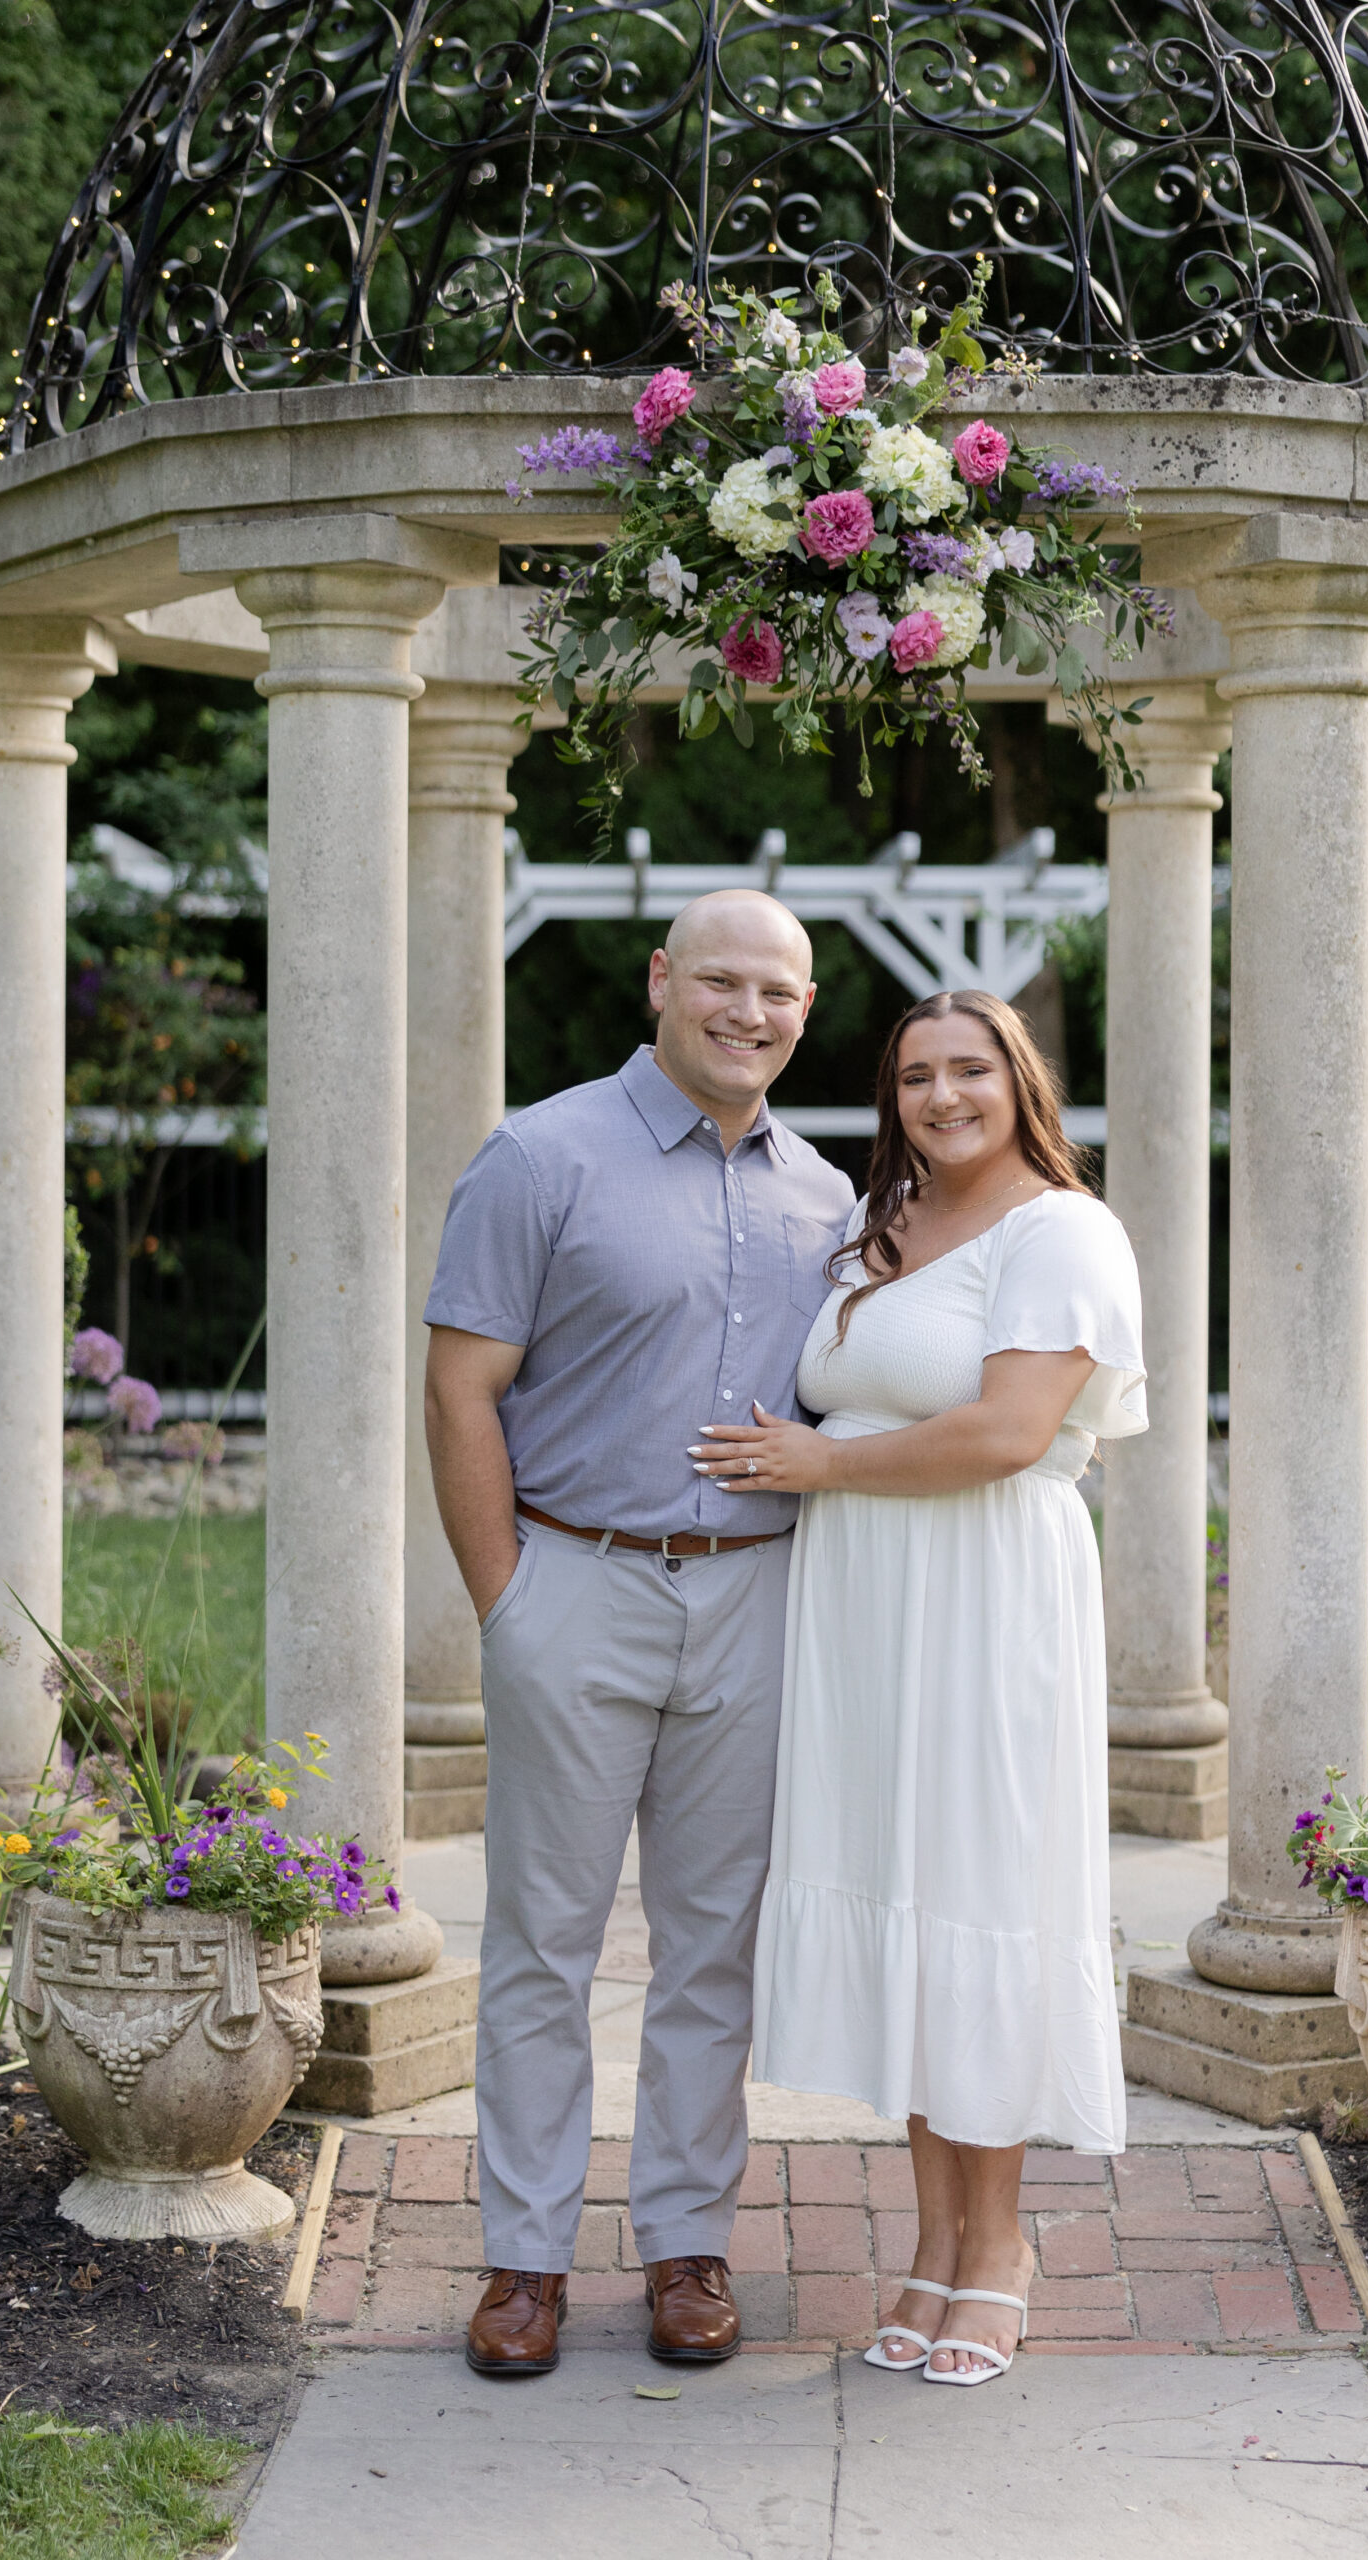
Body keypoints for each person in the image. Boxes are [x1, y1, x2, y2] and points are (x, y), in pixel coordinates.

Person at [423, 890, 853, 2378]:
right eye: (722, 980)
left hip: (755, 1599)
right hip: (575, 1583)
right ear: (663, 981)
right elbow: (461, 1385)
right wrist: (509, 1596)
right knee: (543, 1943)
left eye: (779, 992)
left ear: (806, 1012)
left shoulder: (830, 1199)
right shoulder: (540, 1155)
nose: (749, 1012)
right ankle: (526, 2260)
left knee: (712, 1946)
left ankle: (686, 2246)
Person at [693, 988, 1146, 2389]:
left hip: (986, 1596)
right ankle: (934, 2244)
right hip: (868, 1610)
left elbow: (1011, 1431)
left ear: (1021, 1082)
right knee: (906, 1910)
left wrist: (822, 1464)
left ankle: (1000, 2250)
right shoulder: (878, 1233)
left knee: (980, 1902)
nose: (942, 1097)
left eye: (969, 1071)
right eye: (914, 1077)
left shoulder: (1062, 1232)